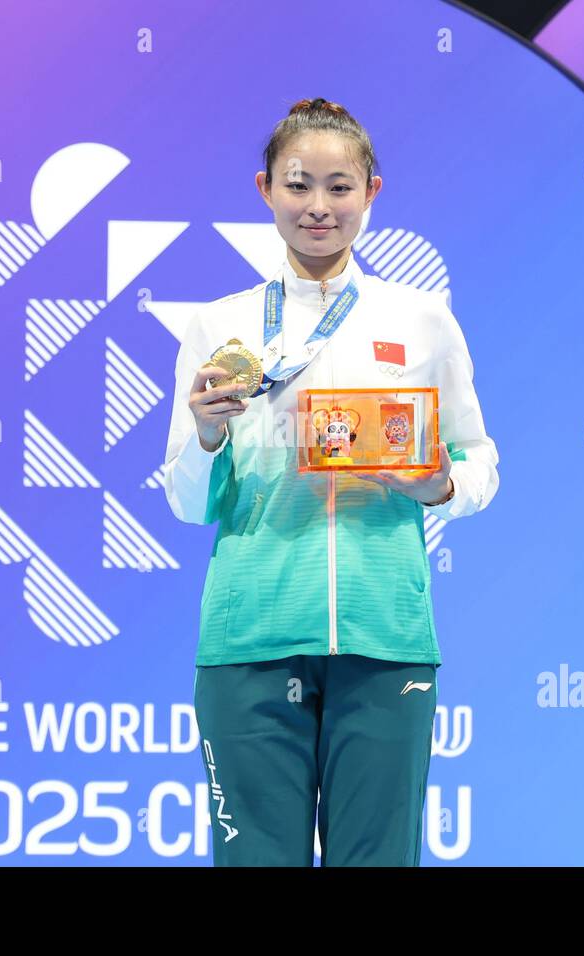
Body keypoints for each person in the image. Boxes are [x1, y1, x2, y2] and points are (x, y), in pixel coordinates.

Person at [162, 97, 499, 866]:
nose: (319, 207)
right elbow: (186, 504)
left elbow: (479, 462)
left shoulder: (422, 320)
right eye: (298, 185)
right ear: (264, 190)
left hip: (384, 638)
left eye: (340, 187)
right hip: (251, 639)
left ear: (372, 191)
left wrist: (439, 486)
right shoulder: (220, 327)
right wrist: (208, 434)